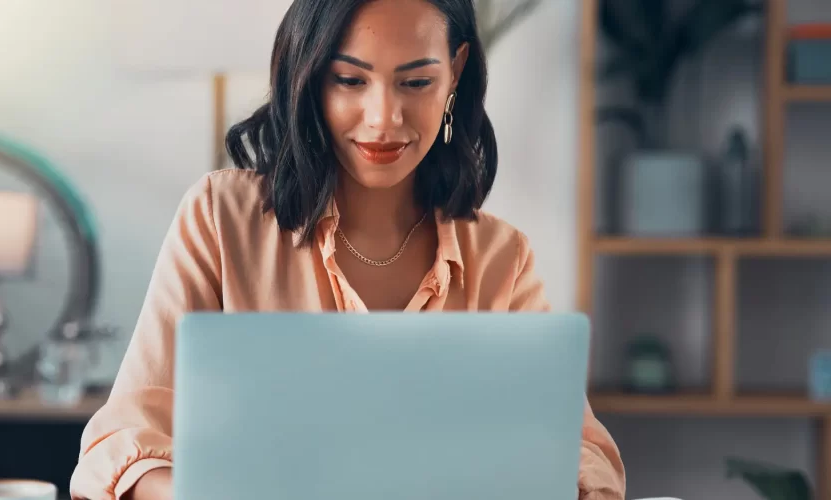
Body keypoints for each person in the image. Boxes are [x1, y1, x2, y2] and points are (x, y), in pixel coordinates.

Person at [69, 0, 625, 498]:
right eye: (349, 81)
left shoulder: (501, 256)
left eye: (416, 82)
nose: (384, 119)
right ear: (309, 77)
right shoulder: (220, 218)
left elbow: (585, 454)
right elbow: (119, 442)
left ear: (455, 72)